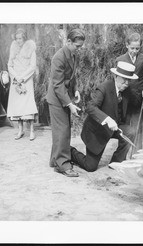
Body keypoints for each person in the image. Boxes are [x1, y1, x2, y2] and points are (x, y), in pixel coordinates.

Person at [70, 62, 138, 172]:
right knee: (90, 167)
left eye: (129, 80)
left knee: (130, 131)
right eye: (124, 79)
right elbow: (90, 107)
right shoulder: (104, 88)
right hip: (98, 131)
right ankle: (70, 151)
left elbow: (137, 103)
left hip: (115, 128)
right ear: (116, 76)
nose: (126, 83)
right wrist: (107, 119)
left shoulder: (126, 90)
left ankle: (116, 162)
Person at [46, 28, 85, 177]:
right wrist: (69, 104)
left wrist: (75, 90)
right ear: (68, 41)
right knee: (62, 131)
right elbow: (57, 84)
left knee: (62, 130)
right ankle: (62, 165)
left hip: (65, 96)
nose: (79, 49)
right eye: (77, 46)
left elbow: (72, 76)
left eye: (81, 47)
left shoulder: (73, 54)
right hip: (57, 99)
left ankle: (55, 160)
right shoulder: (58, 57)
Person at [116, 32, 143, 154]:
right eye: (132, 48)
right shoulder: (120, 60)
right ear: (127, 45)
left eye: (137, 48)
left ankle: (136, 153)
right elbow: (117, 80)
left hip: (138, 99)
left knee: (137, 127)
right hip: (125, 99)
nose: (135, 51)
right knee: (125, 127)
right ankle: (122, 154)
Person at [7, 28, 38, 141]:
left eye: (20, 38)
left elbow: (32, 66)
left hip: (26, 79)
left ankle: (31, 130)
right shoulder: (13, 47)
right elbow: (9, 65)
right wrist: (16, 76)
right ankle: (20, 130)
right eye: (17, 39)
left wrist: (23, 78)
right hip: (16, 79)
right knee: (18, 105)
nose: (18, 41)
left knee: (28, 104)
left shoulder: (31, 47)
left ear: (24, 38)